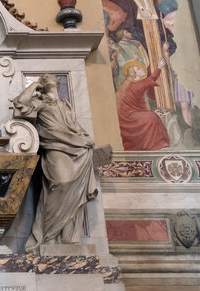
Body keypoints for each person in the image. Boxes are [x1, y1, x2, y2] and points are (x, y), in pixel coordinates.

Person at [13, 74, 97, 254]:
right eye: (43, 77)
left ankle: (66, 237)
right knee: (60, 184)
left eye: (48, 77)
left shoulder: (65, 104)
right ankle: (49, 235)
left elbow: (75, 126)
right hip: (55, 148)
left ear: (58, 83)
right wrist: (34, 85)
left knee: (74, 193)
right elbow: (20, 104)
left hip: (78, 150)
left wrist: (86, 139)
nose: (46, 78)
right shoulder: (41, 102)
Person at [116, 53, 171, 150]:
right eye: (137, 69)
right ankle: (157, 144)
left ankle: (156, 143)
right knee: (152, 117)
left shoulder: (127, 83)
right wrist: (159, 67)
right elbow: (151, 78)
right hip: (130, 117)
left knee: (152, 115)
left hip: (130, 114)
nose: (141, 69)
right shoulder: (138, 85)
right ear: (133, 73)